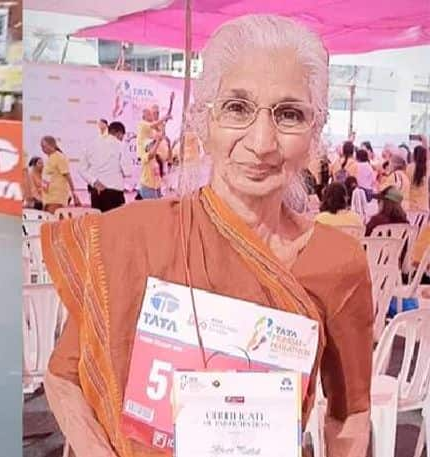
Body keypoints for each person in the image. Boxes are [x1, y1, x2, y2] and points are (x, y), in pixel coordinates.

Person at [41, 15, 372, 457]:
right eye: (237, 107)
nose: (261, 142)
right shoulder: (131, 236)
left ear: (316, 131)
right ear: (203, 119)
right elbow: (64, 377)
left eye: (289, 114)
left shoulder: (337, 261)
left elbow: (350, 412)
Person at [79, 121, 131, 212]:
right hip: (114, 192)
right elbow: (127, 171)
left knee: (97, 224)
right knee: (114, 224)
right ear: (119, 134)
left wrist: (94, 182)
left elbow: (81, 169)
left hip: (96, 192)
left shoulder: (92, 144)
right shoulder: (120, 146)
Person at [40, 136, 80, 213]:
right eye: (41, 146)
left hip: (57, 198)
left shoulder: (59, 157)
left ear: (52, 145)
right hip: (48, 198)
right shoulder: (50, 158)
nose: (42, 148)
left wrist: (74, 194)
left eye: (44, 146)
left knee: (53, 221)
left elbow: (68, 176)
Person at [407, 145, 429, 212]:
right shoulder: (427, 167)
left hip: (411, 205)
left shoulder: (409, 167)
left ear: (414, 155)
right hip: (424, 205)